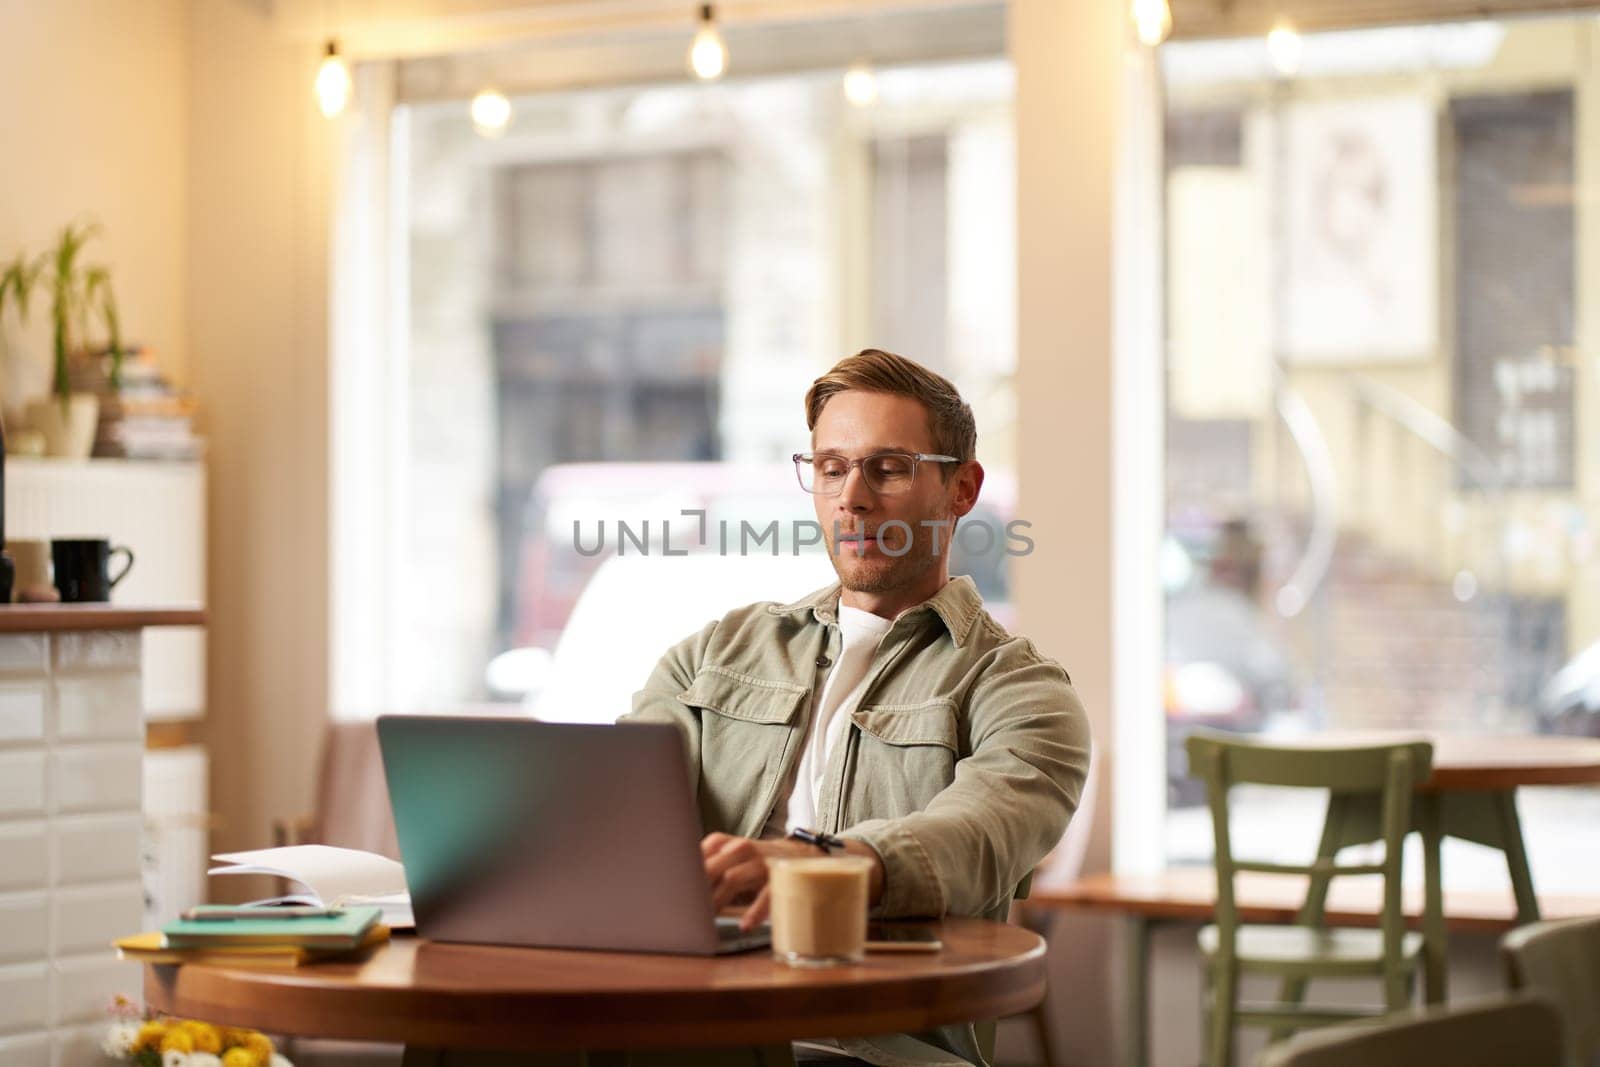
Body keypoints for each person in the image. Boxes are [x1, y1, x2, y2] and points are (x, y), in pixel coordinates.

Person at [622, 349, 1092, 1066]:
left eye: (890, 468)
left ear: (961, 488)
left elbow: (974, 834)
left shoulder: (1022, 691)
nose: (853, 498)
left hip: (872, 1044)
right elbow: (616, 814)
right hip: (692, 1019)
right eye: (832, 468)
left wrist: (815, 864)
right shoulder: (712, 654)